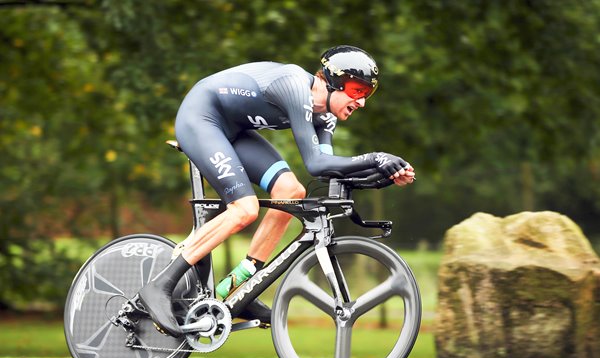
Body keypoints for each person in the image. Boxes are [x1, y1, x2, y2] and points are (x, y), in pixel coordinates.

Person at [138, 45, 416, 337]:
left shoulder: (326, 117)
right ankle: (160, 285)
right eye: (357, 91)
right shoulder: (295, 86)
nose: (361, 103)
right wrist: (376, 158)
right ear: (333, 81)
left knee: (291, 191)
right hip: (202, 118)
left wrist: (383, 173)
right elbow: (316, 163)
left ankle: (240, 288)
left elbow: (328, 168)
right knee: (244, 210)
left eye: (366, 95)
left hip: (234, 130)